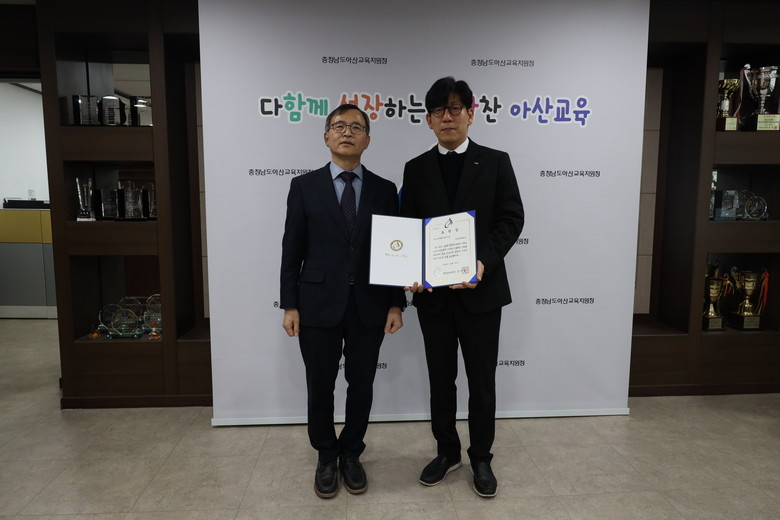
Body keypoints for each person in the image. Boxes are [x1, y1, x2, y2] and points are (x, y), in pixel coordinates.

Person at [400, 77, 524, 498]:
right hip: (433, 297)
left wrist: (482, 261)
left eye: (455, 108)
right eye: (438, 110)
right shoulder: (416, 168)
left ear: (471, 114)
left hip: (481, 294)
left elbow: (511, 218)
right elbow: (408, 228)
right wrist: (411, 269)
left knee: (481, 380)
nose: (447, 117)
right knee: (441, 380)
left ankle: (481, 457)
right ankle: (447, 451)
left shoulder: (496, 161)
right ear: (428, 120)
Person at [280, 103, 405, 499]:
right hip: (316, 304)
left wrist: (396, 303)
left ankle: (351, 453)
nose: (347, 132)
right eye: (339, 126)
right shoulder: (304, 186)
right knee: (320, 384)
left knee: (361, 384)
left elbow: (394, 252)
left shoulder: (385, 190)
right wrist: (290, 304)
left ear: (367, 139)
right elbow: (291, 251)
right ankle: (325, 454)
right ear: (326, 136)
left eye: (356, 127)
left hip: (370, 304)